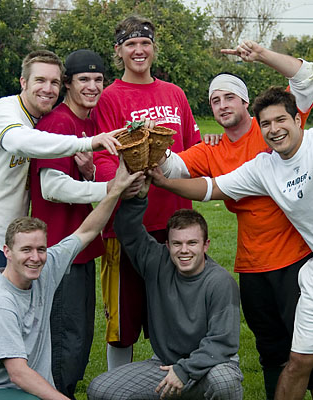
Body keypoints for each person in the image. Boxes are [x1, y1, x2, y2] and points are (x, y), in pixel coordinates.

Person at [151, 70, 313, 400]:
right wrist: (163, 182)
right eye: (267, 125)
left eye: (281, 121)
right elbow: (212, 188)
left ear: (298, 120)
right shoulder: (265, 167)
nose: (275, 129)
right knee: (297, 360)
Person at [159, 40, 313, 400]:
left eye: (229, 97)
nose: (222, 105)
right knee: (271, 348)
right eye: (215, 100)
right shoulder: (211, 149)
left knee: (309, 340)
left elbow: (307, 77)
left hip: (298, 255)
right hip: (253, 264)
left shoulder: (273, 126)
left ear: (245, 103)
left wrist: (262, 56)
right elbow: (171, 166)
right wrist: (149, 140)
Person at [0, 49, 122, 399]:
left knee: (15, 328)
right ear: (22, 82)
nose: (48, 88)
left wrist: (84, 164)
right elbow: (22, 144)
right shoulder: (6, 112)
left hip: (13, 241)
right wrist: (86, 142)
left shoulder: (37, 120)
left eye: (54, 82)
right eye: (40, 80)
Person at [0, 159, 144, 400]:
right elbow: (17, 373)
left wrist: (116, 189)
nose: (35, 258)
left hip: (28, 389)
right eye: (26, 250)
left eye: (41, 249)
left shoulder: (46, 268)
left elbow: (87, 231)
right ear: (7, 252)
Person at [89, 14, 201, 370]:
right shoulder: (108, 98)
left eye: (145, 43)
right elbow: (104, 158)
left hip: (174, 225)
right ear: (118, 51)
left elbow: (194, 151)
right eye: (131, 44)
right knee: (123, 324)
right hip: (128, 228)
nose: (139, 50)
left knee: (170, 316)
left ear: (154, 48)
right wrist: (127, 182)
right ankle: (117, 389)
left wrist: (169, 165)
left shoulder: (174, 94)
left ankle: (167, 387)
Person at [87, 181, 243, 400]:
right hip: (164, 365)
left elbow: (222, 342)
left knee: (225, 382)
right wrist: (138, 198)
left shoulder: (220, 282)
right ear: (167, 245)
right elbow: (127, 231)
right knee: (101, 389)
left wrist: (184, 370)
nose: (184, 250)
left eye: (192, 243)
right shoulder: (157, 262)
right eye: (177, 244)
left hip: (211, 365)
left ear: (205, 245)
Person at [29, 49, 119, 398]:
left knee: (78, 339)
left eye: (98, 80)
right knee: (66, 342)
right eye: (84, 79)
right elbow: (50, 187)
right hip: (58, 248)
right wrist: (108, 187)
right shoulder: (60, 122)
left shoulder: (91, 123)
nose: (93, 86)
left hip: (79, 247)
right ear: (68, 83)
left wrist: (91, 176)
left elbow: (83, 180)